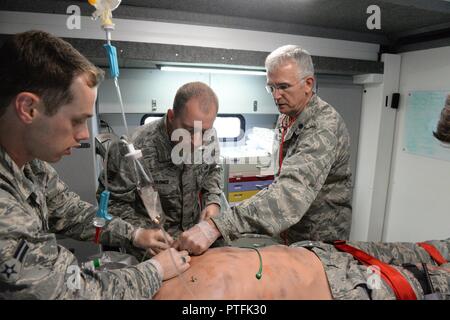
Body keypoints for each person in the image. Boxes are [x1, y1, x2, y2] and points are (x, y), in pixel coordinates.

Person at [0, 30, 190, 299]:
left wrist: (134, 234)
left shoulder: (32, 167)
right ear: (29, 108)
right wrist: (155, 270)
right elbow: (68, 292)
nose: (84, 135)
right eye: (77, 120)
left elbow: (70, 211)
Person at [177, 45, 352, 255]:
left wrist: (218, 225)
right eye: (271, 87)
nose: (276, 96)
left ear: (308, 84)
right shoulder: (286, 117)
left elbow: (290, 193)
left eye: (284, 87)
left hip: (319, 240)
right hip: (290, 231)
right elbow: (281, 178)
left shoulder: (324, 126)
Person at [98, 81, 223, 253]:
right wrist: (141, 233)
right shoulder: (131, 148)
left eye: (204, 131)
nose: (197, 141)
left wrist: (213, 201)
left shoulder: (208, 136)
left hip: (195, 240)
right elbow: (112, 206)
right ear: (171, 116)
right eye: (188, 130)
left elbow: (212, 170)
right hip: (152, 247)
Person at [156, 238, 450, 300]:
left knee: (421, 251)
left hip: (321, 251)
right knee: (430, 278)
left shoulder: (154, 272)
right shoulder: (158, 270)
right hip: (344, 288)